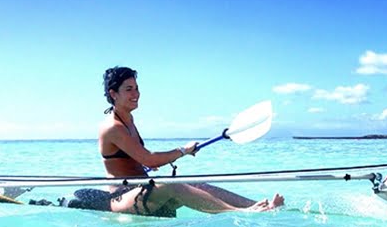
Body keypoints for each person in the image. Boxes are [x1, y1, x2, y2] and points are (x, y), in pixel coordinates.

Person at [94, 66, 284, 217]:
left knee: (195, 184)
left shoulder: (128, 120)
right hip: (120, 197)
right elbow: (149, 159)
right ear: (113, 94)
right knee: (172, 185)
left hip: (141, 188)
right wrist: (182, 151)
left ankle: (259, 205)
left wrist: (153, 163)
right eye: (129, 89)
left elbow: (138, 160)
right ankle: (243, 212)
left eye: (136, 88)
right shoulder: (113, 127)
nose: (136, 93)